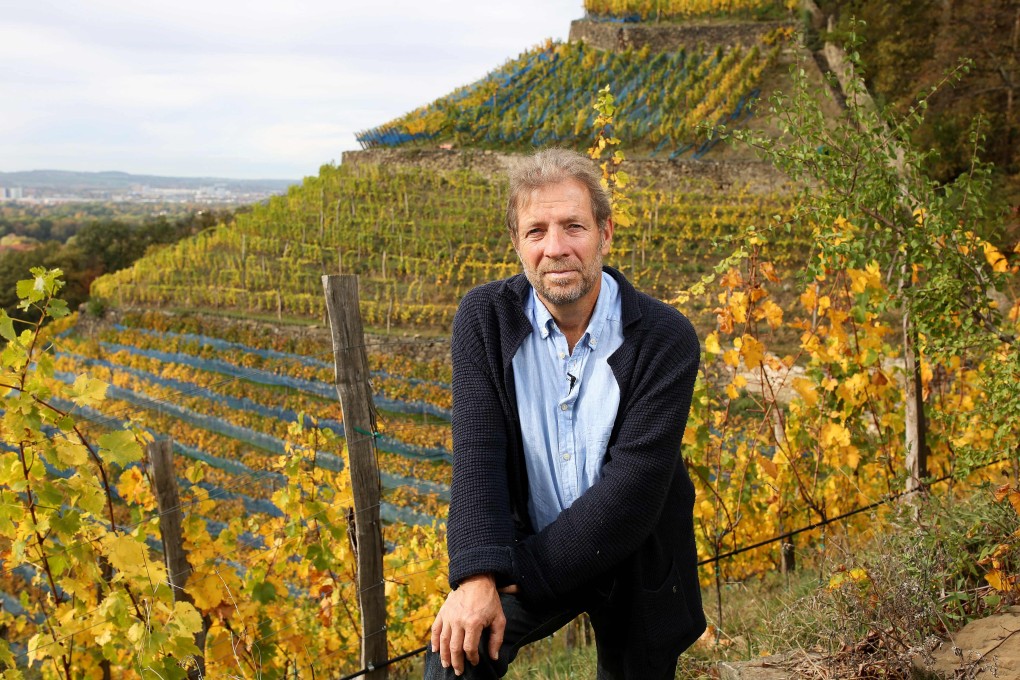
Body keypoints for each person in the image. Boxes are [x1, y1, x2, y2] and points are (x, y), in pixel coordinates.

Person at [425, 148, 704, 679]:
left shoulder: (664, 338)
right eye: (536, 231)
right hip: (529, 544)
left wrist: (518, 575)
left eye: (573, 226)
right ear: (517, 245)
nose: (556, 248)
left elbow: (635, 489)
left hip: (633, 551)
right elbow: (478, 458)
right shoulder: (484, 320)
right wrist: (478, 576)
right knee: (455, 656)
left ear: (605, 232)